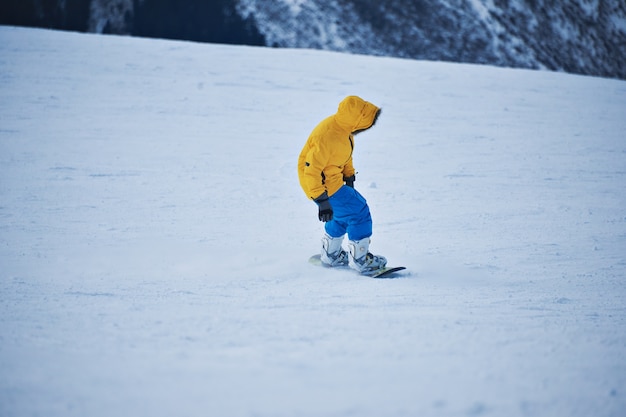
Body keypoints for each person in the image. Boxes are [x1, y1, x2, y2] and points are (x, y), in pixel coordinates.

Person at [298, 95, 387, 273]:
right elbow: (311, 169)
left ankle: (330, 254)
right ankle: (360, 259)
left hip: (331, 181)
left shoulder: (343, 129)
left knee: (339, 215)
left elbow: (343, 155)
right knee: (359, 212)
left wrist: (349, 176)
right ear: (356, 119)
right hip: (322, 185)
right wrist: (322, 200)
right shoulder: (327, 136)